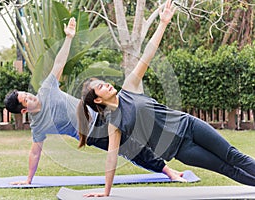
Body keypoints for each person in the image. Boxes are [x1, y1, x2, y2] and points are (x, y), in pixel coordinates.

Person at [78, 0, 255, 197]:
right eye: (100, 87)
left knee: (233, 155)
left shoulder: (129, 87)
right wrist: (106, 192)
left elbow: (147, 55)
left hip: (189, 125)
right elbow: (111, 158)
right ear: (97, 100)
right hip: (181, 149)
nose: (107, 84)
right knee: (225, 169)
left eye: (103, 82)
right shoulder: (114, 124)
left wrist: (162, 24)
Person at [4, 17, 185, 185]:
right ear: (24, 111)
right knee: (131, 147)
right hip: (92, 133)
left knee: (139, 124)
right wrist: (28, 180)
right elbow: (35, 152)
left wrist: (69, 38)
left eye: (26, 93)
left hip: (98, 110)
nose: (30, 96)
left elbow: (59, 64)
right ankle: (169, 172)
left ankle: (171, 160)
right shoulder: (38, 126)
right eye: (25, 100)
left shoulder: (46, 90)